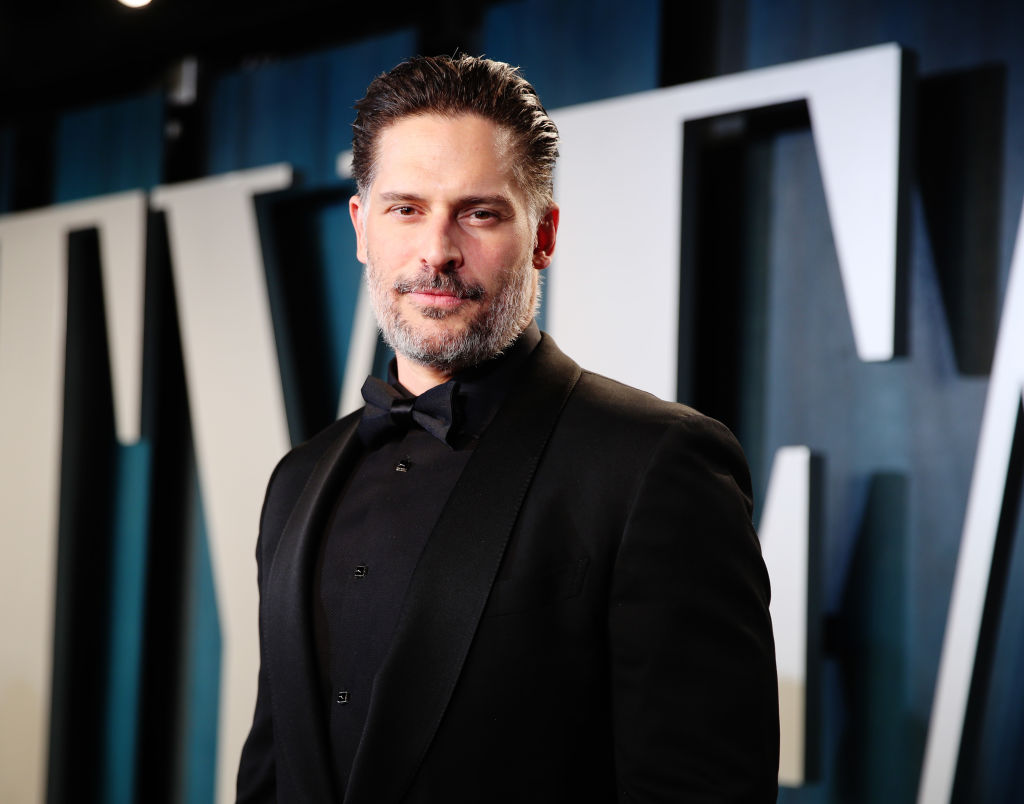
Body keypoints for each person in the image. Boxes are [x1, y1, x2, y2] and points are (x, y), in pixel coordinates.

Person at [236, 54, 779, 804]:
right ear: (362, 228)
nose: (436, 251)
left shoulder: (654, 465)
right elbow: (272, 769)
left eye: (478, 212)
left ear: (544, 235)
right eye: (406, 209)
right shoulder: (297, 477)